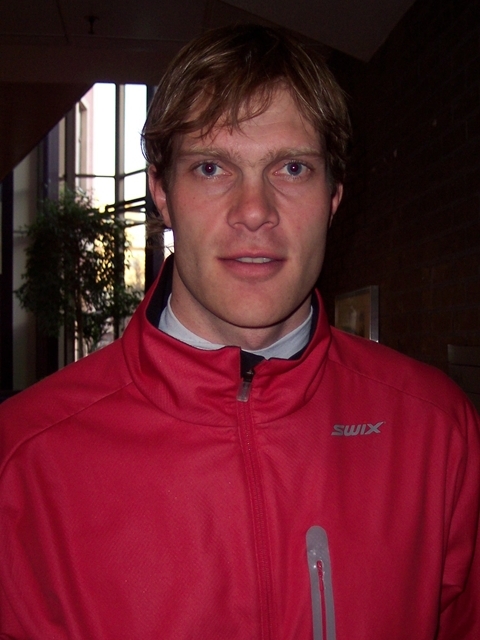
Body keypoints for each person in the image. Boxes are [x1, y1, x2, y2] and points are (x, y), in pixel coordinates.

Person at [0, 24, 478, 640]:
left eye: (292, 168)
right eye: (210, 168)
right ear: (161, 193)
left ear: (334, 196)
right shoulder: (23, 462)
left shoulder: (438, 432)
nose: (254, 210)